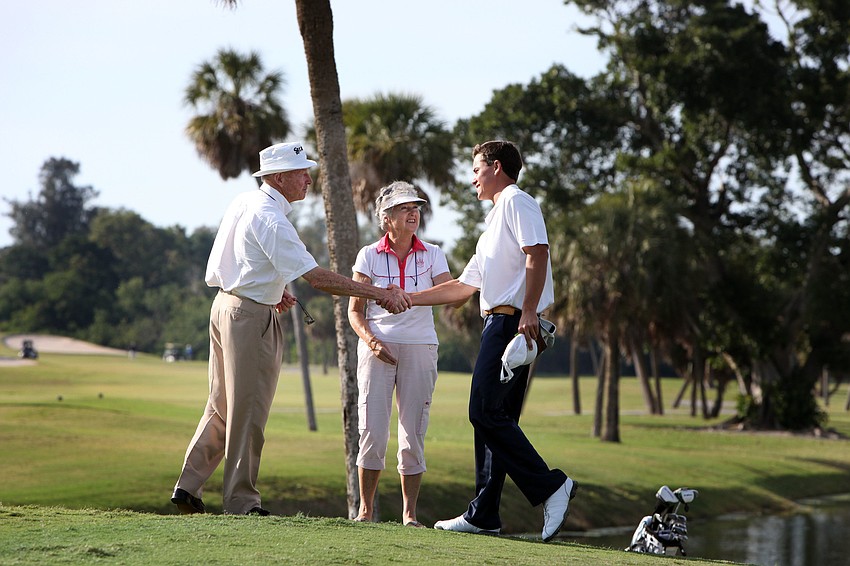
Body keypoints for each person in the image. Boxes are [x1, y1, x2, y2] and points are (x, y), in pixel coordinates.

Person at [171, 141, 411, 516]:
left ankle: (188, 487)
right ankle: (241, 502)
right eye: (302, 173)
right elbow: (317, 278)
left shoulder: (246, 202)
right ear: (279, 177)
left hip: (226, 307)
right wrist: (378, 293)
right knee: (248, 411)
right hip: (249, 318)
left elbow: (240, 259)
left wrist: (275, 287)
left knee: (221, 406)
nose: (309, 179)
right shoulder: (271, 217)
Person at [409, 140, 577, 541]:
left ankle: (552, 486)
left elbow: (538, 252)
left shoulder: (517, 201)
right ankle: (484, 514)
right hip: (501, 324)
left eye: (475, 169)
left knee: (483, 412)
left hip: (513, 325)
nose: (472, 180)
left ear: (496, 166)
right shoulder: (493, 223)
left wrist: (531, 311)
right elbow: (463, 287)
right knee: (496, 419)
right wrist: (407, 298)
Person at [347, 181, 455, 527]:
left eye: (416, 208)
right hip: (377, 348)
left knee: (413, 433)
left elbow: (450, 292)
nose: (413, 213)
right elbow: (355, 311)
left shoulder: (433, 253)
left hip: (421, 345)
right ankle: (365, 511)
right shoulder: (368, 254)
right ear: (386, 218)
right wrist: (372, 342)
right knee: (372, 431)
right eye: (405, 208)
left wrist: (408, 297)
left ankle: (410, 515)